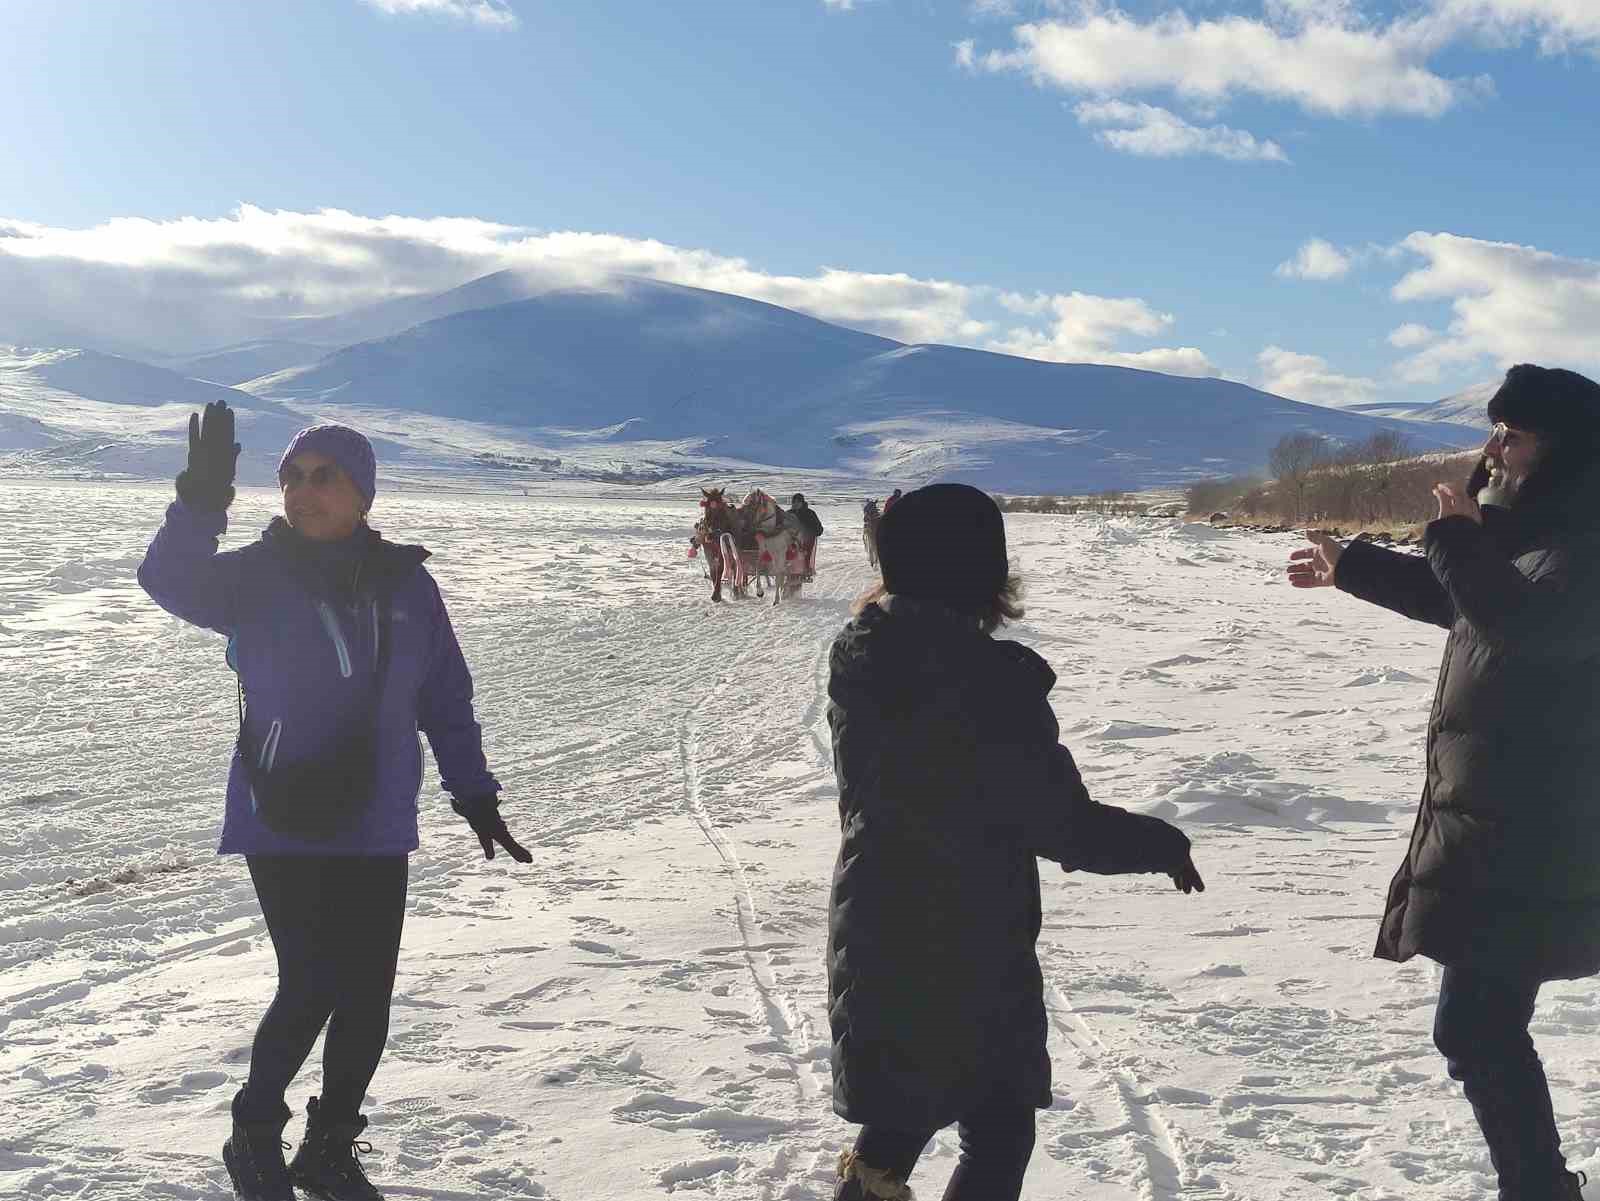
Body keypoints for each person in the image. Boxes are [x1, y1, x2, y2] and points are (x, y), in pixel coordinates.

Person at [138, 402, 531, 1201]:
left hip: (375, 817)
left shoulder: (407, 585)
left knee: (367, 991)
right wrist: (201, 501)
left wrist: (474, 791)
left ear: (362, 495)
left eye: (324, 477)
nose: (303, 490)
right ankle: (254, 1133)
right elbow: (167, 579)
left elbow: (445, 697)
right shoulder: (252, 577)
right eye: (292, 477)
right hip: (280, 811)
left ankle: (328, 1148)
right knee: (312, 979)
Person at [825, 483, 1205, 1201]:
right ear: (984, 576)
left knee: (904, 1121)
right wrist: (1159, 842)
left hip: (878, 921)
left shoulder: (864, 655)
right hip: (967, 941)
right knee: (992, 1132)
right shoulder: (989, 684)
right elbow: (1060, 822)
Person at [1288, 364, 1600, 1201]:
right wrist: (1352, 566)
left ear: (1565, 449)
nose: (1493, 448)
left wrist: (1459, 537)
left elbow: (1523, 623)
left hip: (1544, 823)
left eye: (1514, 434)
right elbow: (1468, 601)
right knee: (1479, 1025)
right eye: (1493, 428)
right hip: (1500, 815)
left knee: (1476, 1025)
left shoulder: (1589, 540)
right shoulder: (1538, 530)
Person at [791, 492, 825, 574]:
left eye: (798, 502)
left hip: (807, 540)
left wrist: (813, 532)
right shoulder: (789, 513)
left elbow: (819, 528)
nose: (796, 504)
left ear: (802, 503)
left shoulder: (810, 513)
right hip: (791, 540)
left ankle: (806, 570)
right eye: (794, 502)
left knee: (805, 556)